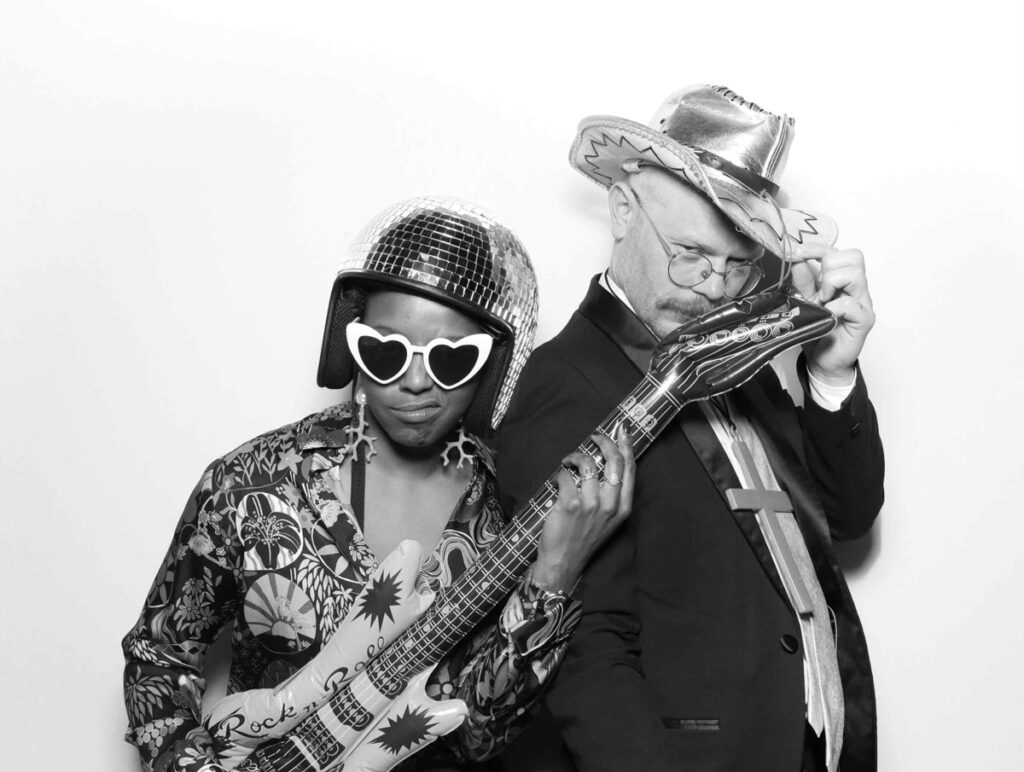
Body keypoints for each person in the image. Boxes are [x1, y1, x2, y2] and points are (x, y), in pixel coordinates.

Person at [122, 197, 635, 772]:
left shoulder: (510, 512)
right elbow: (159, 656)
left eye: (450, 360)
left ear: (492, 367)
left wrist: (554, 578)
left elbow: (478, 736)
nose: (416, 383)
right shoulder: (250, 484)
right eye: (387, 353)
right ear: (350, 345)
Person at [494, 86, 884, 772]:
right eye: (690, 253)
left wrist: (830, 372)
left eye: (738, 265)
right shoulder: (568, 387)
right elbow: (586, 653)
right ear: (622, 209)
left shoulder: (743, 362)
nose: (711, 287)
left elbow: (846, 521)